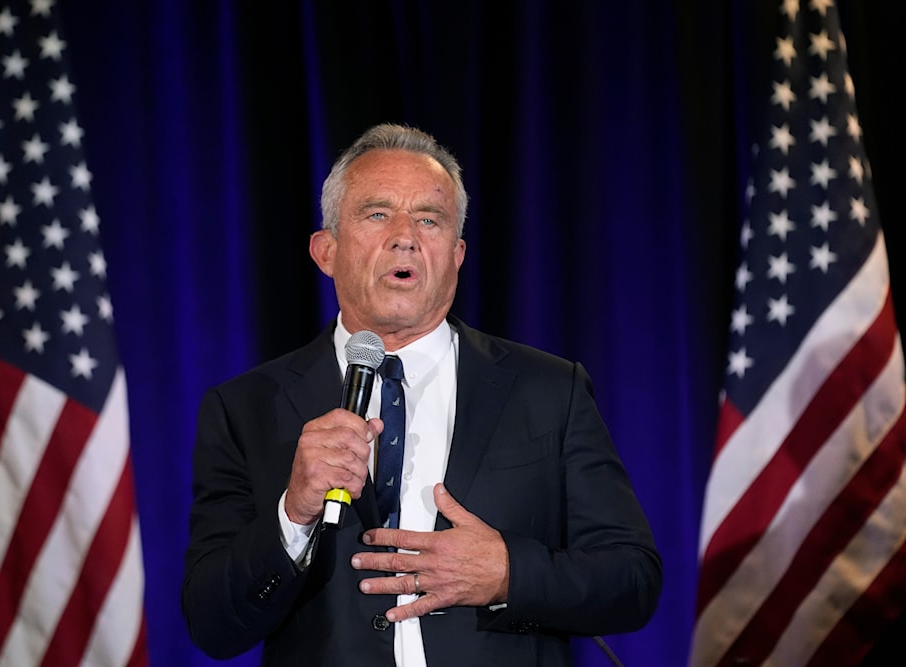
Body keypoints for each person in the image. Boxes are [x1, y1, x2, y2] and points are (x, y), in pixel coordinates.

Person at [181, 123, 662, 666]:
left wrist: (506, 573)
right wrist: (292, 515)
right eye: (377, 213)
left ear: (456, 253)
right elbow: (212, 623)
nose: (405, 235)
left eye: (428, 219)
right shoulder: (246, 408)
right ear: (326, 250)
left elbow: (633, 580)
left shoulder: (550, 390)